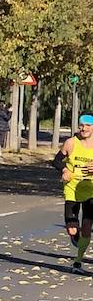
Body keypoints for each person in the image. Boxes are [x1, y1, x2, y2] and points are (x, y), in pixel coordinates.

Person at [56, 113, 93, 270]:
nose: (84, 128)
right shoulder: (71, 143)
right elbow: (56, 161)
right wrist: (64, 169)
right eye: (81, 125)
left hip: (91, 190)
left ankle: (78, 261)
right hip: (72, 189)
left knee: (87, 225)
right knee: (72, 228)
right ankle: (75, 237)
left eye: (88, 125)